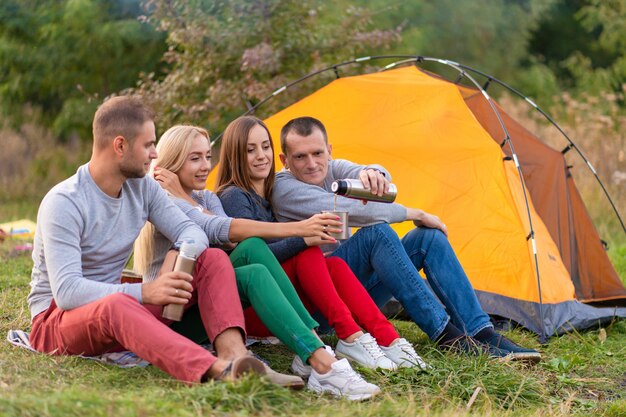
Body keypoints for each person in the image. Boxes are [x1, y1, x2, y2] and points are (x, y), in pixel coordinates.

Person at [26, 96, 271, 385]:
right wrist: (146, 292)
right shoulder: (64, 202)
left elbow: (193, 232)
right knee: (116, 305)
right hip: (58, 320)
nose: (155, 154)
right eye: (148, 144)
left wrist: (178, 252)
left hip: (121, 313)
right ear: (120, 146)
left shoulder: (142, 187)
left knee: (212, 259)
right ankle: (217, 371)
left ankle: (235, 356)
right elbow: (68, 292)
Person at [132, 124, 381, 400]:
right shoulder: (163, 197)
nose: (205, 166)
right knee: (252, 256)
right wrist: (300, 229)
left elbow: (229, 238)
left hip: (207, 301)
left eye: (207, 157)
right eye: (195, 158)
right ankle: (321, 358)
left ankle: (317, 349)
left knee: (253, 259)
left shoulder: (206, 197)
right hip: (171, 315)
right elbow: (213, 227)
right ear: (172, 163)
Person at [272, 116, 541, 362]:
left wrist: (375, 173)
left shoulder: (332, 168)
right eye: (300, 157)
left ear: (329, 150)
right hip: (318, 309)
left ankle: (481, 333)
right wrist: (414, 212)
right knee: (377, 233)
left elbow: (378, 178)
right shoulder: (284, 189)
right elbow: (351, 212)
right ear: (285, 160)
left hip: (352, 293)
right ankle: (447, 336)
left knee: (428, 238)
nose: (311, 164)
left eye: (318, 153)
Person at [214, 115, 427, 373]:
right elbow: (254, 256)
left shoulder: (265, 193)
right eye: (250, 150)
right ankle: (348, 337)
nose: (261, 156)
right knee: (309, 251)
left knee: (334, 264)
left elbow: (363, 172)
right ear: (235, 155)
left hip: (282, 298)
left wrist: (373, 173)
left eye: (265, 147)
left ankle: (386, 338)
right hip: (256, 307)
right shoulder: (235, 196)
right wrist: (303, 238)